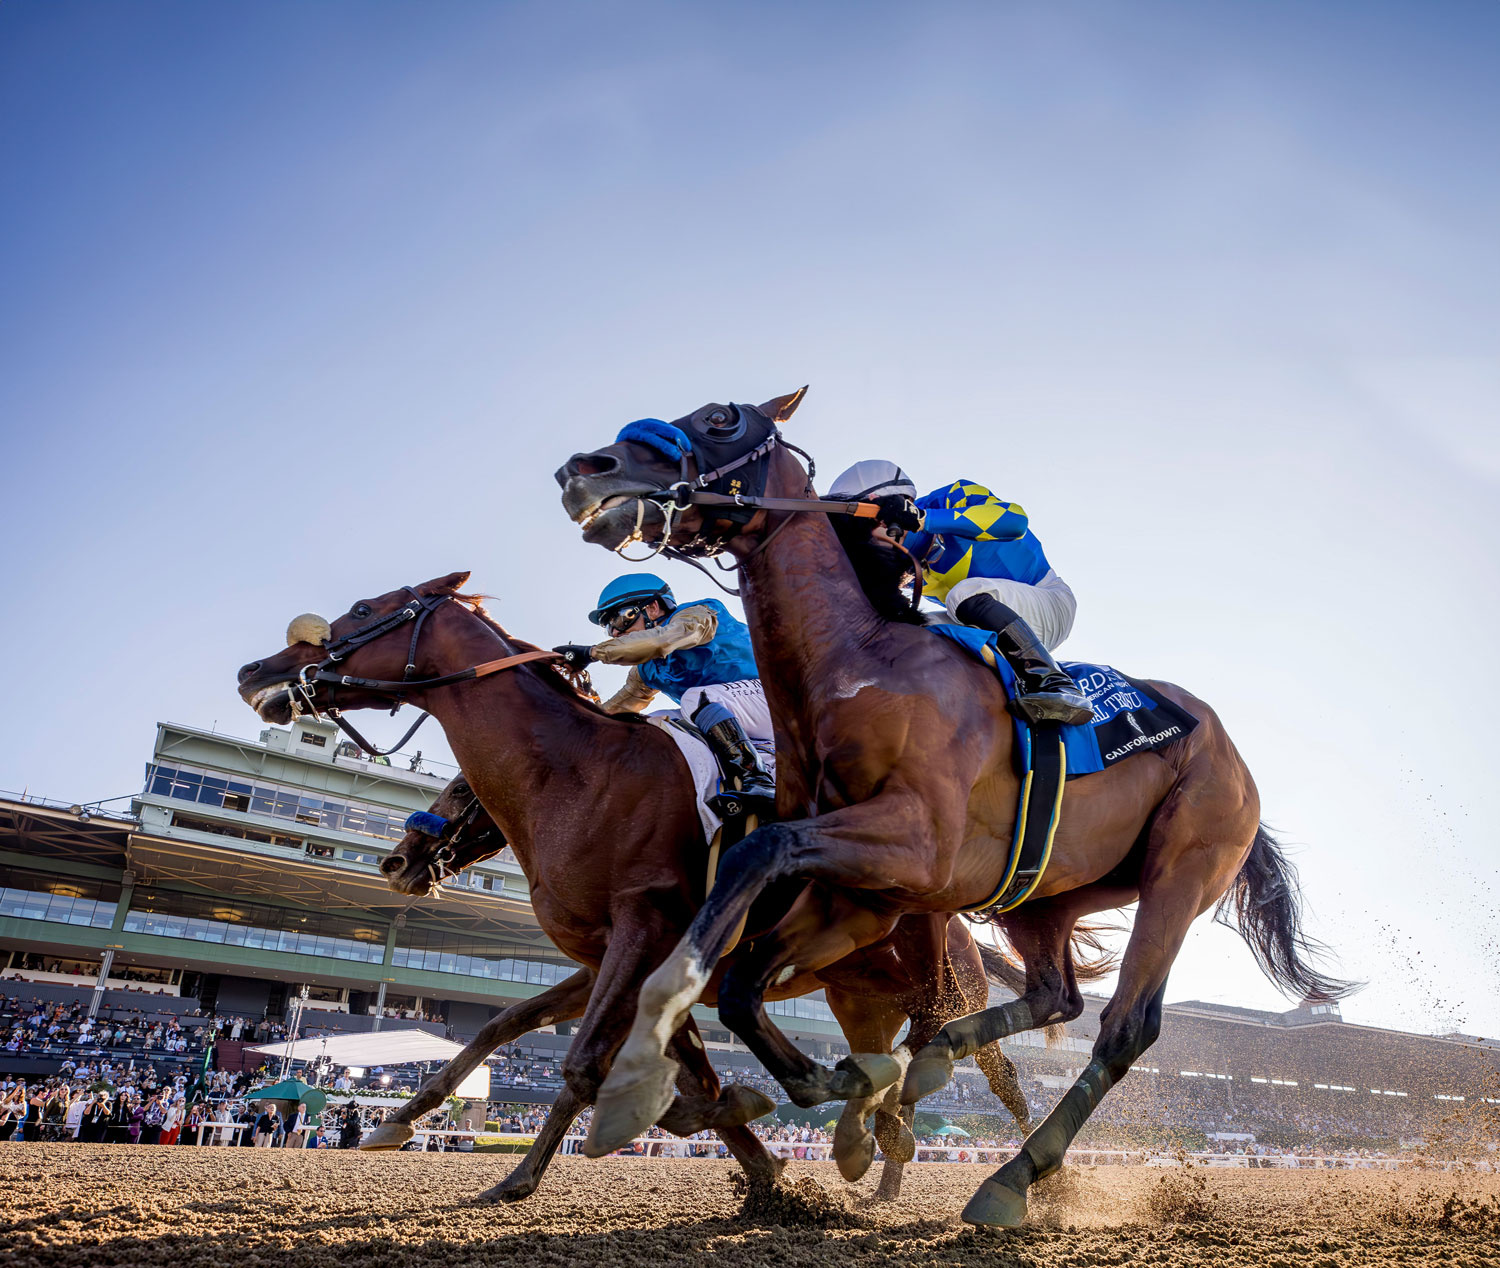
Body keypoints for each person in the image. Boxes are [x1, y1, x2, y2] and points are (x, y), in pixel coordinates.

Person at [828, 462, 1091, 725]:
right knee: (914, 634)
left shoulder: (954, 496)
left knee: (962, 593)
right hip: (991, 623)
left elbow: (1015, 521)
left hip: (1049, 601)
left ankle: (1056, 684)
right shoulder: (903, 565)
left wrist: (923, 519)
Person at [553, 573, 775, 810]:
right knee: (653, 723)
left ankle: (758, 780)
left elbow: (662, 641)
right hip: (742, 718)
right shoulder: (646, 670)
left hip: (778, 699)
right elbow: (615, 711)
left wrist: (591, 653)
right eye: (608, 627)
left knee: (697, 698)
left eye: (618, 619)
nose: (615, 633)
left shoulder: (699, 614)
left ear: (652, 607)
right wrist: (571, 729)